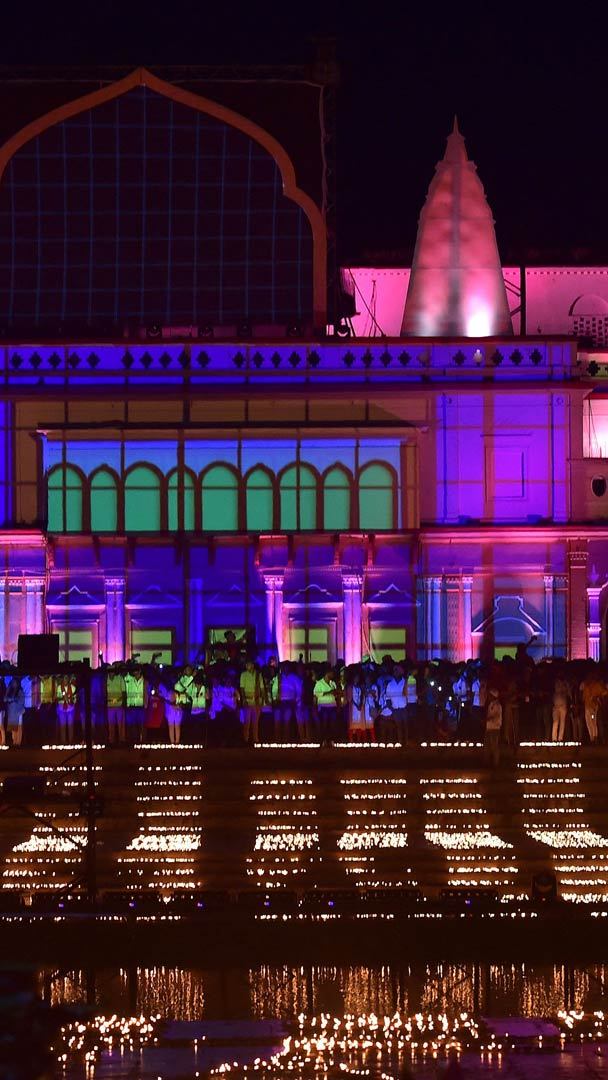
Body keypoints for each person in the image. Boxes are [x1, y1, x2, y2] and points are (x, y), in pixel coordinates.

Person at [383, 663, 409, 744]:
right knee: (399, 726)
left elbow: (409, 695)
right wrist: (392, 709)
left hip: (404, 708)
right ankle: (401, 742)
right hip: (395, 709)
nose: (396, 672)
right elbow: (387, 698)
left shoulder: (405, 682)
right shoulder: (390, 684)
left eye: (397, 671)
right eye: (395, 671)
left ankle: (406, 741)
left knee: (406, 725)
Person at [239, 660, 263, 746]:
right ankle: (246, 739)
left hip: (257, 701)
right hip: (248, 701)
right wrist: (244, 699)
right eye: (246, 665)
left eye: (248, 664)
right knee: (247, 721)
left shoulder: (258, 675)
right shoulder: (243, 674)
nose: (247, 666)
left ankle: (255, 739)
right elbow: (242, 688)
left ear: (252, 665)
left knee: (255, 722)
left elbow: (262, 688)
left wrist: (262, 700)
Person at [313, 667, 338, 746]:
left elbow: (335, 694)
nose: (333, 675)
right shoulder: (319, 683)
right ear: (327, 673)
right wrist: (328, 692)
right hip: (324, 707)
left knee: (332, 724)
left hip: (332, 706)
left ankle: (331, 740)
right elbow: (316, 694)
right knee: (324, 724)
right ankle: (324, 740)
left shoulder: (332, 683)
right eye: (332, 673)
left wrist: (336, 693)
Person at [124, 666, 146, 744]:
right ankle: (134, 741)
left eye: (136, 671)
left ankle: (142, 741)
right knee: (133, 725)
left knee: (142, 725)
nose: (135, 672)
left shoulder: (144, 681)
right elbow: (128, 693)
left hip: (141, 706)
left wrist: (145, 705)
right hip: (132, 707)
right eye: (134, 671)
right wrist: (128, 705)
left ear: (140, 671)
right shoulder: (130, 681)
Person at [106, 665, 126, 746]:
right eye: (109, 671)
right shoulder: (106, 680)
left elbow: (124, 692)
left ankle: (122, 740)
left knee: (121, 724)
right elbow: (104, 692)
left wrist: (122, 702)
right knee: (111, 724)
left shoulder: (120, 679)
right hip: (109, 705)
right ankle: (111, 741)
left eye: (112, 671)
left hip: (119, 705)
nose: (111, 673)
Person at [55, 674, 77, 745]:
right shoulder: (59, 687)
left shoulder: (73, 688)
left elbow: (75, 699)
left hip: (70, 709)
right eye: (64, 678)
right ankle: (63, 742)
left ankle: (71, 741)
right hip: (61, 708)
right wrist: (63, 698)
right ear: (62, 679)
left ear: (69, 679)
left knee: (70, 725)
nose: (65, 680)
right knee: (62, 726)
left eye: (67, 678)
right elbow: (57, 698)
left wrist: (71, 700)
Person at [484, 686, 502, 766]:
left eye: (490, 695)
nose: (488, 696)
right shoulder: (490, 704)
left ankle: (496, 763)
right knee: (487, 746)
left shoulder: (497, 705)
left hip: (495, 728)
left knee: (494, 746)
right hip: (489, 727)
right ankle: (487, 763)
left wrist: (487, 719)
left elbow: (495, 715)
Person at [5, 677, 25, 747]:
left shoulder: (20, 691)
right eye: (12, 682)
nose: (13, 684)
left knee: (19, 727)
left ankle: (18, 742)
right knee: (13, 727)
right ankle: (14, 742)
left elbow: (21, 700)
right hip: (12, 712)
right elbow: (5, 699)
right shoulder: (10, 691)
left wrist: (12, 699)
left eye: (14, 682)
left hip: (18, 711)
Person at [552, 670, 570, 742]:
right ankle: (554, 738)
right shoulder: (556, 682)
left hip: (563, 705)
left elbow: (568, 692)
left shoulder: (566, 683)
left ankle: (560, 738)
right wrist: (563, 689)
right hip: (556, 705)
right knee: (555, 722)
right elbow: (558, 690)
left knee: (562, 722)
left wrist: (565, 687)